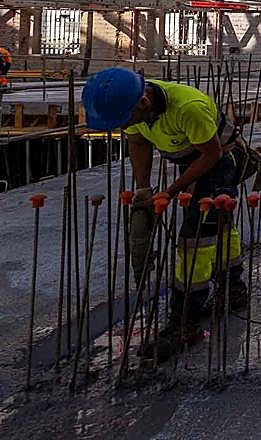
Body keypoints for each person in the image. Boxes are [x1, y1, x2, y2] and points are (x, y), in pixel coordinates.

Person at [83, 67, 249, 362]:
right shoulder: (132, 103)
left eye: (127, 120)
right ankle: (234, 287)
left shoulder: (188, 107)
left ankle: (185, 319)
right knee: (218, 227)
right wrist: (144, 188)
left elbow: (211, 155)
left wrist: (171, 192)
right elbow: (138, 142)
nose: (126, 125)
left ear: (144, 103)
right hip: (191, 159)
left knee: (194, 238)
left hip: (221, 158)